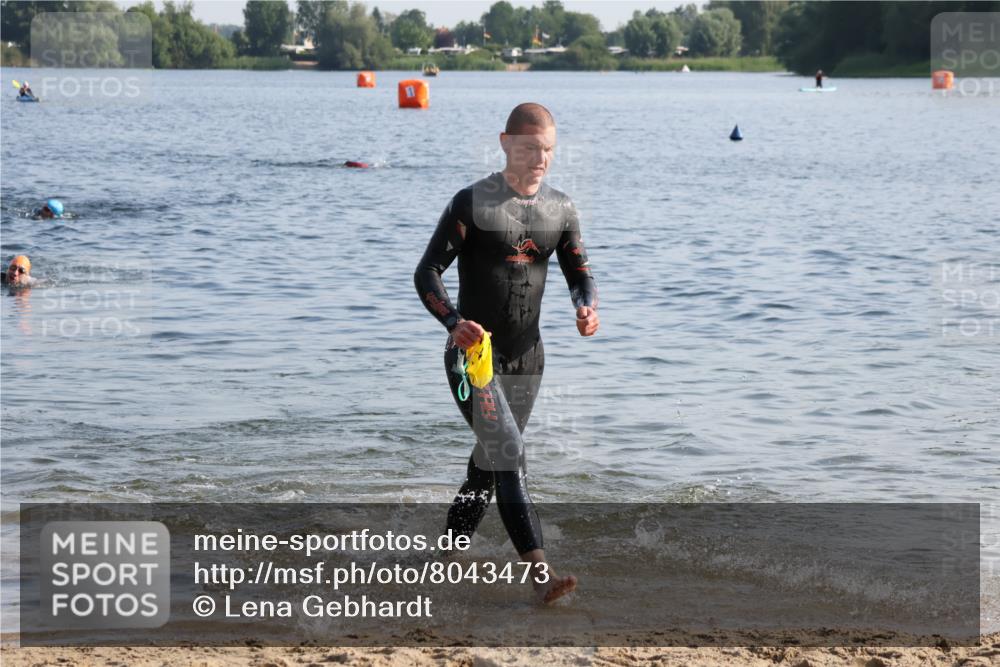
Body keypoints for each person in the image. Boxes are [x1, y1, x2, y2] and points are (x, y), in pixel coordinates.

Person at [414, 102, 599, 604]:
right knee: (510, 454)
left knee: (488, 464)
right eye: (529, 149)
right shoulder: (471, 204)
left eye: (548, 151)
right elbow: (427, 272)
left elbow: (580, 274)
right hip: (472, 360)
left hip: (528, 359)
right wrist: (454, 323)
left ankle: (445, 559)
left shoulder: (560, 209)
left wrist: (586, 307)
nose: (540, 159)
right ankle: (541, 575)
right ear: (504, 143)